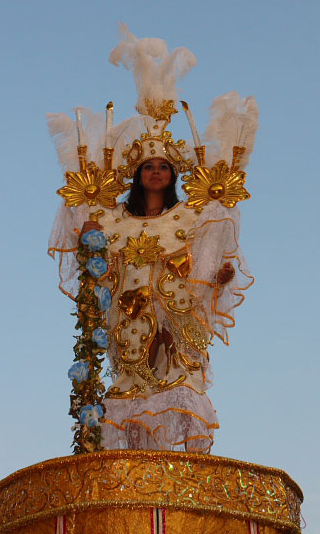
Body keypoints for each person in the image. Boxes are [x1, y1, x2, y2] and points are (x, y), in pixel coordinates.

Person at [77, 157, 244, 453]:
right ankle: (135, 464)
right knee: (133, 385)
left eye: (163, 167)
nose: (155, 172)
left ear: (173, 176)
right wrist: (89, 239)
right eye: (149, 167)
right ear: (138, 175)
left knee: (180, 377)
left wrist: (216, 278)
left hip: (175, 307)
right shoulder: (115, 220)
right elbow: (102, 273)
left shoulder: (189, 217)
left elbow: (200, 268)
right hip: (131, 310)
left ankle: (187, 468)